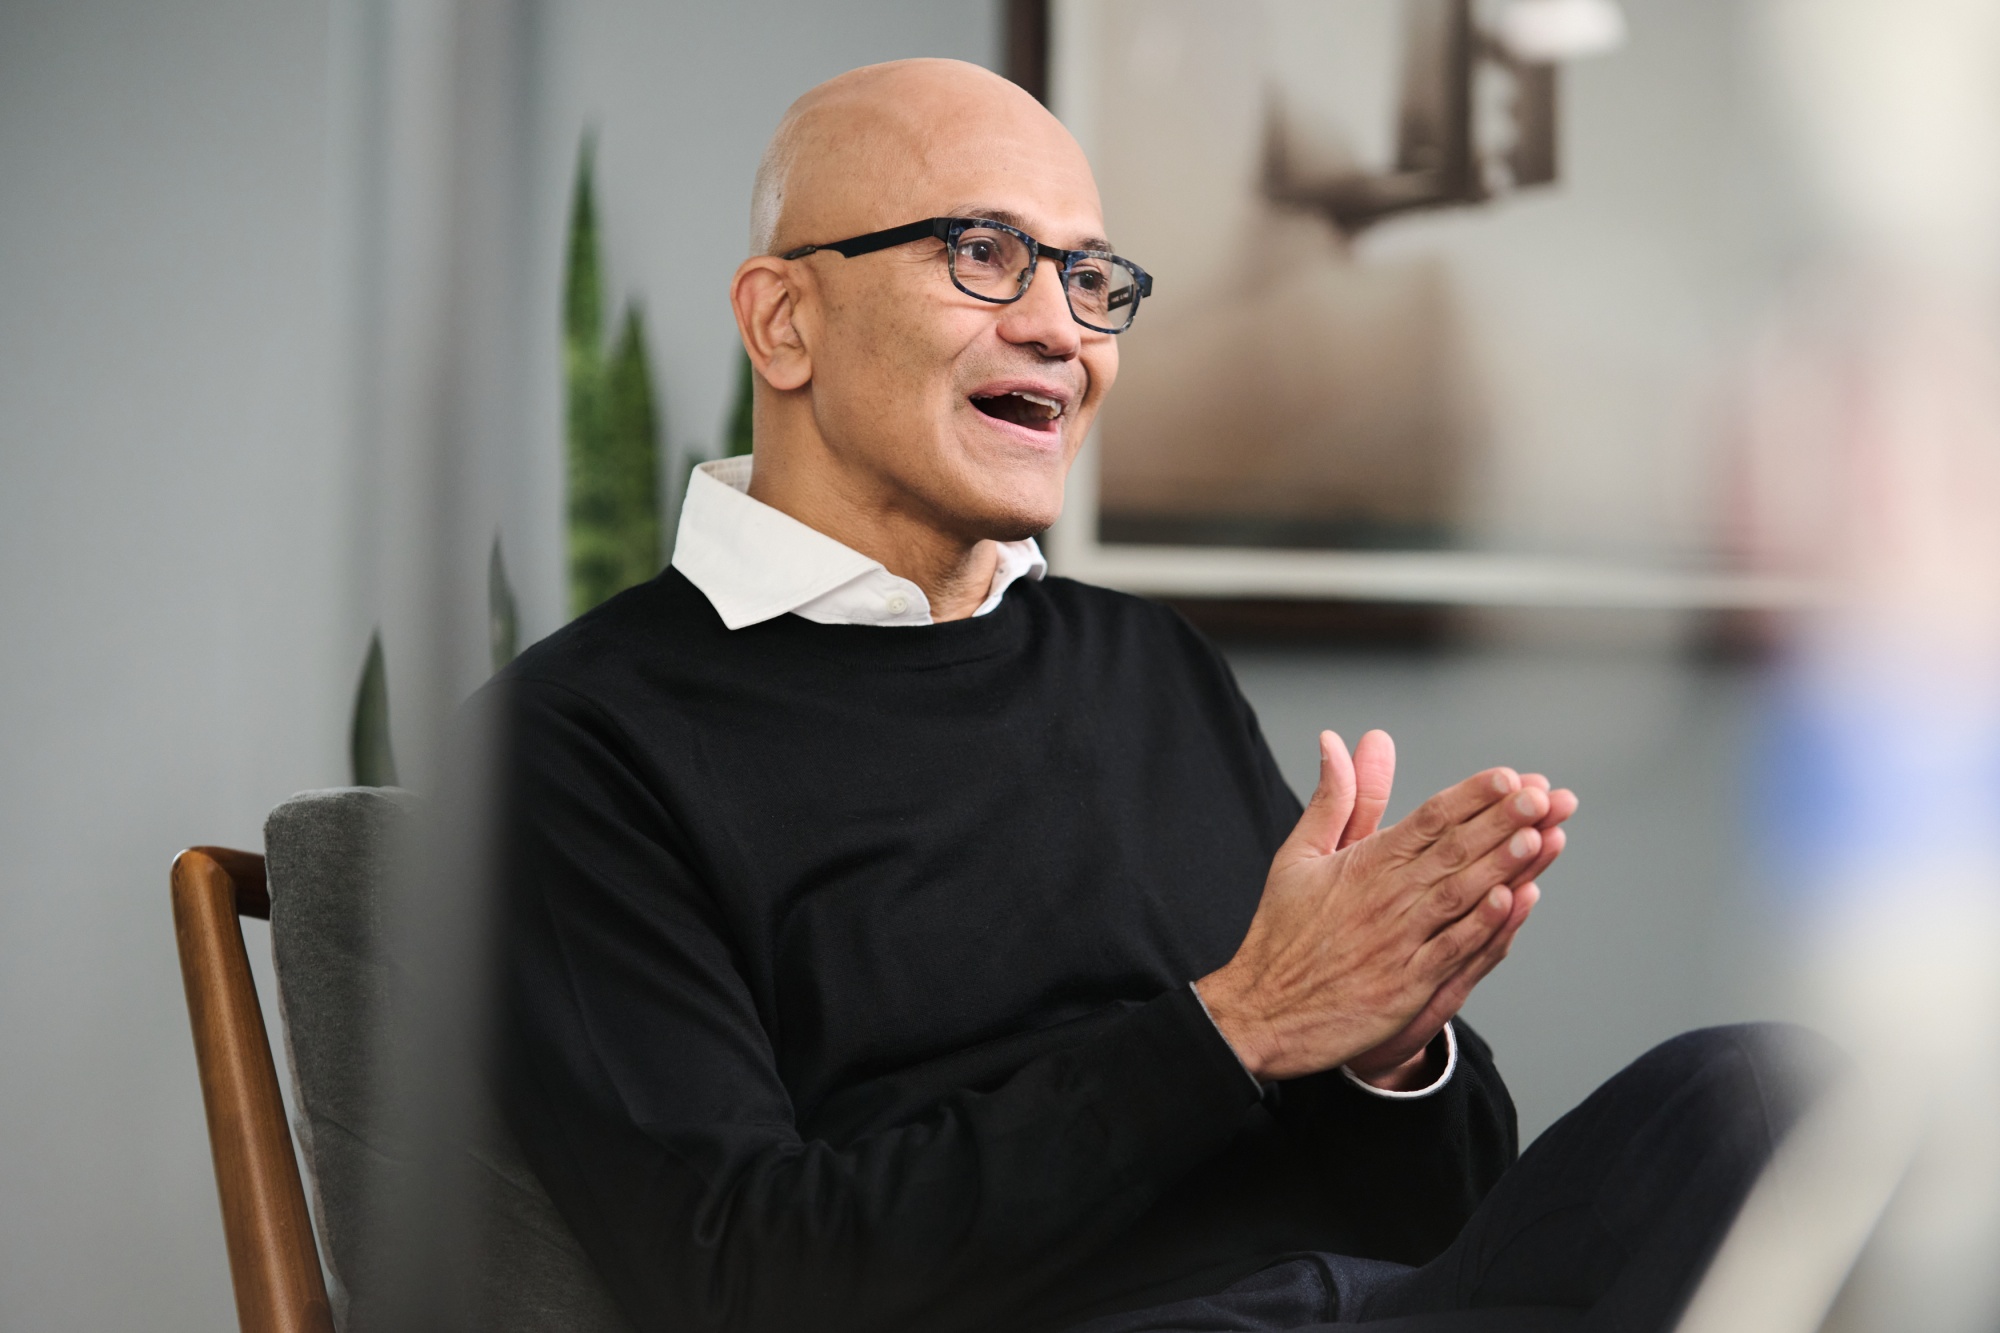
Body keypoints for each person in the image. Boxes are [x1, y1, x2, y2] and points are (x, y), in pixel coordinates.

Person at [493, 58, 1829, 1333]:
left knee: (1760, 1099)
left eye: (1088, 278)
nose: (1058, 328)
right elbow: (738, 1284)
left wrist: (1385, 1049)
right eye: (982, 252)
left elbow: (1448, 1220)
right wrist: (1241, 1023)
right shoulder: (581, 737)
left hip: (1383, 1305)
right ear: (785, 321)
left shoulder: (1149, 663)